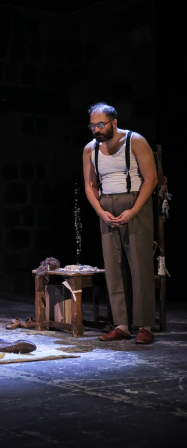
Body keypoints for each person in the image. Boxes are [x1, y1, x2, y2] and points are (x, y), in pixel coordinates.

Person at [82, 102, 158, 344]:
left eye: (100, 124)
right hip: (107, 206)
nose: (96, 130)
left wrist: (134, 210)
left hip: (134, 201)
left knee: (139, 266)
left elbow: (151, 179)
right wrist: (100, 212)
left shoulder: (135, 141)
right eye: (92, 126)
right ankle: (122, 325)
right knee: (113, 268)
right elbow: (90, 185)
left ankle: (144, 325)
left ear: (114, 122)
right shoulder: (90, 149)